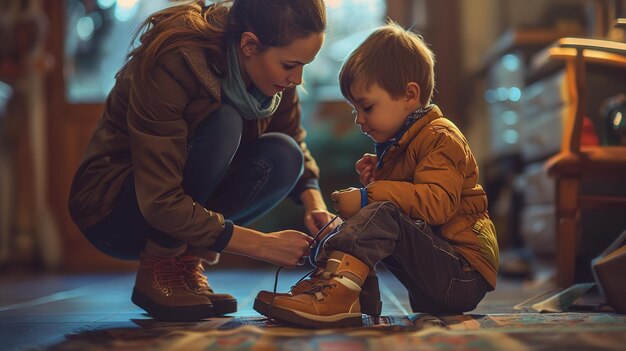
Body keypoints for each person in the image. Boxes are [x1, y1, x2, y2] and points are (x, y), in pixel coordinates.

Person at [67, 0, 338, 322]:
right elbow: (160, 199)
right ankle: (161, 266)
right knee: (224, 122)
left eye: (304, 64)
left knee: (284, 153)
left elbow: (292, 137)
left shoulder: (274, 73)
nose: (297, 78)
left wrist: (314, 203)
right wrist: (261, 246)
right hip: (113, 210)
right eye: (291, 65)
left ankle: (183, 264)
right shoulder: (174, 59)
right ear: (249, 44)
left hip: (167, 208)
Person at [255, 23, 500, 328]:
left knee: (380, 211)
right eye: (355, 109)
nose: (359, 120)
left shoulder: (441, 137)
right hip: (435, 279)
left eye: (367, 106)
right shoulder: (402, 145)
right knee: (377, 215)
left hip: (463, 276)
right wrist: (376, 184)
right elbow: (405, 214)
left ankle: (335, 296)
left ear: (410, 95)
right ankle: (350, 295)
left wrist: (369, 194)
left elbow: (437, 205)